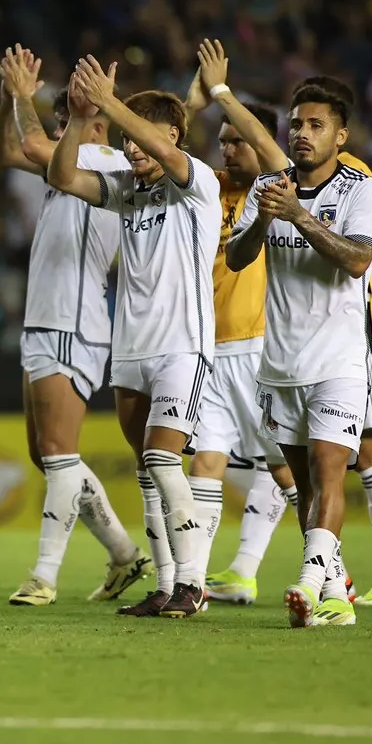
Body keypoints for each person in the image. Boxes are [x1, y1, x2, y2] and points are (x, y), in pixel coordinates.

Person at [207, 71, 372, 606]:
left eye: (316, 125)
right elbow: (238, 257)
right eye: (297, 124)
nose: (302, 133)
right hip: (279, 362)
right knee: (302, 485)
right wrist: (264, 218)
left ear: (339, 135)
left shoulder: (363, 189)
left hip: (340, 359)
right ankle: (336, 598)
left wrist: (298, 215)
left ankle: (311, 582)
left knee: (329, 474)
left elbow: (357, 259)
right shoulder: (266, 186)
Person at [48, 56, 220, 619]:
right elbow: (61, 177)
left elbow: (170, 156)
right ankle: (167, 584)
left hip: (181, 345)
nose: (132, 148)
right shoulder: (126, 189)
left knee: (163, 459)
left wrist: (113, 100)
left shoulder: (198, 183)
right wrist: (79, 118)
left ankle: (194, 583)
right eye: (123, 139)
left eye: (139, 137)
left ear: (171, 134)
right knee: (148, 471)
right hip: (131, 350)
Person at [0, 45, 151, 606]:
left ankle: (44, 575)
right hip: (45, 318)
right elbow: (11, 148)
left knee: (59, 452)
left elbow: (32, 142)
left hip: (74, 319)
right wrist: (8, 94)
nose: (62, 130)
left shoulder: (108, 164)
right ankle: (125, 554)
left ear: (98, 123)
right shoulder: (70, 160)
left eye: (71, 121)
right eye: (61, 121)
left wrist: (24, 96)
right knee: (46, 454)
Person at [181, 40, 300, 603]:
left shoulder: (272, 192)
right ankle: (195, 583)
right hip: (207, 348)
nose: (228, 149)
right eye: (222, 141)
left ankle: (330, 570)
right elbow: (164, 144)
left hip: (257, 350)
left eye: (238, 141)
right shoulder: (205, 190)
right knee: (205, 462)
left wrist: (224, 96)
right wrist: (192, 101)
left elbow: (272, 154)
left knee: (285, 469)